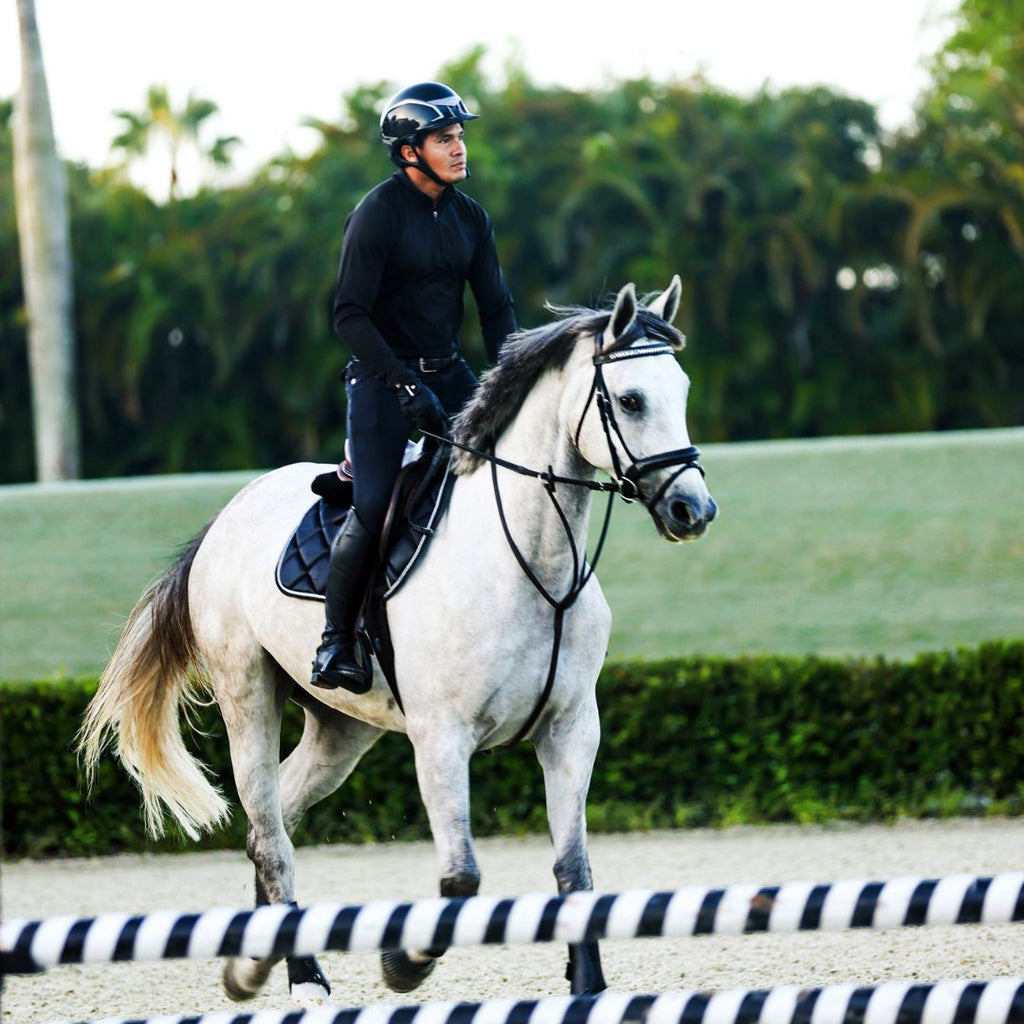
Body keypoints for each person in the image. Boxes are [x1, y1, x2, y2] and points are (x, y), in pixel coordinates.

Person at [311, 81, 516, 691]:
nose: (459, 148)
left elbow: (497, 311)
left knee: (507, 475)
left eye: (460, 136)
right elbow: (350, 315)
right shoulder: (377, 213)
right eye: (444, 139)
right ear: (408, 151)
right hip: (380, 382)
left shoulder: (471, 218)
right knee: (374, 508)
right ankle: (335, 642)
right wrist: (402, 385)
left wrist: (512, 377)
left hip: (449, 374)